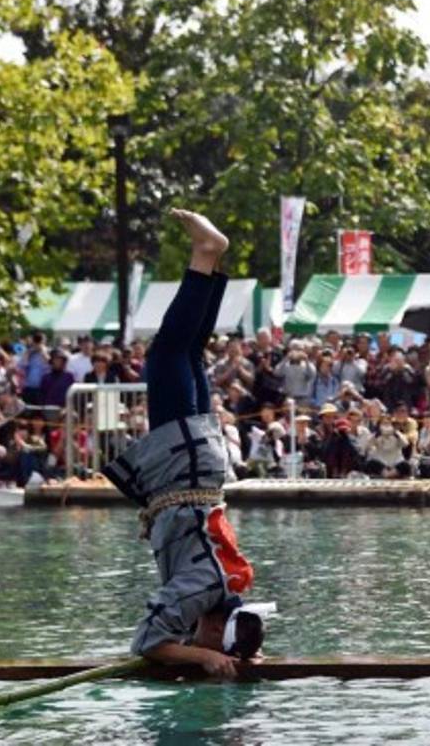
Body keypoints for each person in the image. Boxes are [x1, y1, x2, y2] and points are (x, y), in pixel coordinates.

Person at [101, 209, 266, 679]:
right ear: (215, 630)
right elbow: (149, 641)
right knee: (168, 352)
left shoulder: (234, 581)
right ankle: (205, 254)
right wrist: (202, 656)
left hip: (202, 467)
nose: (193, 635)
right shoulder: (202, 592)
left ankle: (210, 261)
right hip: (183, 468)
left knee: (189, 351)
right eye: (204, 636)